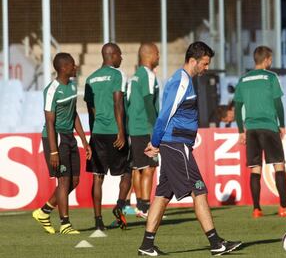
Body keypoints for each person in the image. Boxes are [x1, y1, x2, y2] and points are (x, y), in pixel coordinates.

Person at [138, 41, 242, 256]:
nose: (206, 68)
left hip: (175, 144)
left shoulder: (184, 80)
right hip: (176, 145)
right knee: (199, 190)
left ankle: (147, 245)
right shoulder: (181, 82)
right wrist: (156, 142)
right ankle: (216, 243)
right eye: (204, 64)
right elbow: (164, 115)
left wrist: (159, 142)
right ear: (193, 60)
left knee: (163, 194)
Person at [32, 53, 92, 234]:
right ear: (64, 68)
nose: (76, 67)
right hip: (55, 138)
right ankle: (65, 223)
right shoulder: (51, 90)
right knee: (64, 180)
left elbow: (73, 115)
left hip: (70, 137)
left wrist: (84, 140)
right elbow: (49, 122)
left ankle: (44, 212)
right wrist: (53, 152)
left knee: (74, 180)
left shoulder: (73, 87)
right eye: (73, 65)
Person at [234, 46, 286, 218]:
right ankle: (283, 207)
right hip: (269, 126)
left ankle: (256, 209)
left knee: (255, 169)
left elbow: (237, 106)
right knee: (279, 165)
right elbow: (278, 102)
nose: (271, 62)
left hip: (251, 129)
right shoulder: (271, 77)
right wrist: (282, 124)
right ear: (266, 60)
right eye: (270, 59)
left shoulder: (243, 79)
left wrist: (241, 130)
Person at [84, 43, 131, 230]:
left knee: (98, 177)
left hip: (97, 133)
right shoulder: (118, 75)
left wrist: (92, 135)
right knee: (128, 171)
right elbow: (118, 103)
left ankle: (97, 221)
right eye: (120, 54)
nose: (122, 58)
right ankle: (120, 206)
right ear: (112, 55)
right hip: (115, 131)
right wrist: (121, 132)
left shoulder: (90, 79)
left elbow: (91, 110)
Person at [126, 43, 160, 218]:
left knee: (138, 168)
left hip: (134, 127)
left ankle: (140, 206)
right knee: (149, 168)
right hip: (146, 128)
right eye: (157, 53)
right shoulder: (148, 75)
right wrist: (157, 129)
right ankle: (146, 208)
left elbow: (128, 103)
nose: (159, 57)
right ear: (150, 54)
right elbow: (149, 103)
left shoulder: (133, 77)